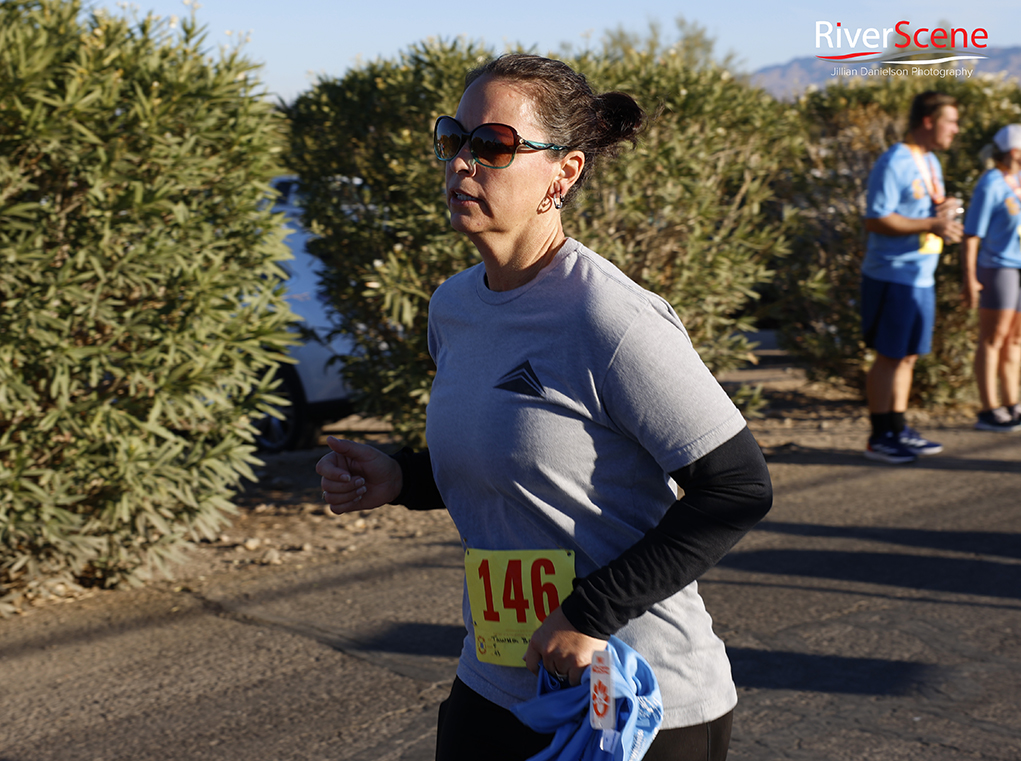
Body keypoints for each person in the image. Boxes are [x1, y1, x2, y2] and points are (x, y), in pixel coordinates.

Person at [317, 54, 772, 761]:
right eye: (452, 139)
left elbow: (737, 486)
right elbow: (525, 456)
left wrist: (586, 613)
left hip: (631, 696)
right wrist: (400, 477)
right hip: (497, 681)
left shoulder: (608, 317)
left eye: (493, 146)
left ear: (563, 174)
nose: (463, 164)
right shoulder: (455, 306)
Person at [861, 91, 964, 464]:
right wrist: (932, 222)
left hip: (922, 274)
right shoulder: (894, 161)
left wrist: (942, 210)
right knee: (888, 357)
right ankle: (879, 435)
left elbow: (919, 209)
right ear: (928, 121)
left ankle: (898, 427)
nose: (955, 129)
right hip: (892, 275)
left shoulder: (930, 160)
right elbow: (876, 218)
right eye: (950, 121)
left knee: (907, 357)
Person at [962, 124, 1021, 431]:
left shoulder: (1018, 181)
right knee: (993, 338)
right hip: (998, 267)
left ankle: (1013, 403)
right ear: (1014, 151)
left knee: (1015, 339)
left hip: (1019, 267)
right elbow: (971, 235)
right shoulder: (991, 184)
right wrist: (970, 278)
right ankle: (989, 408)